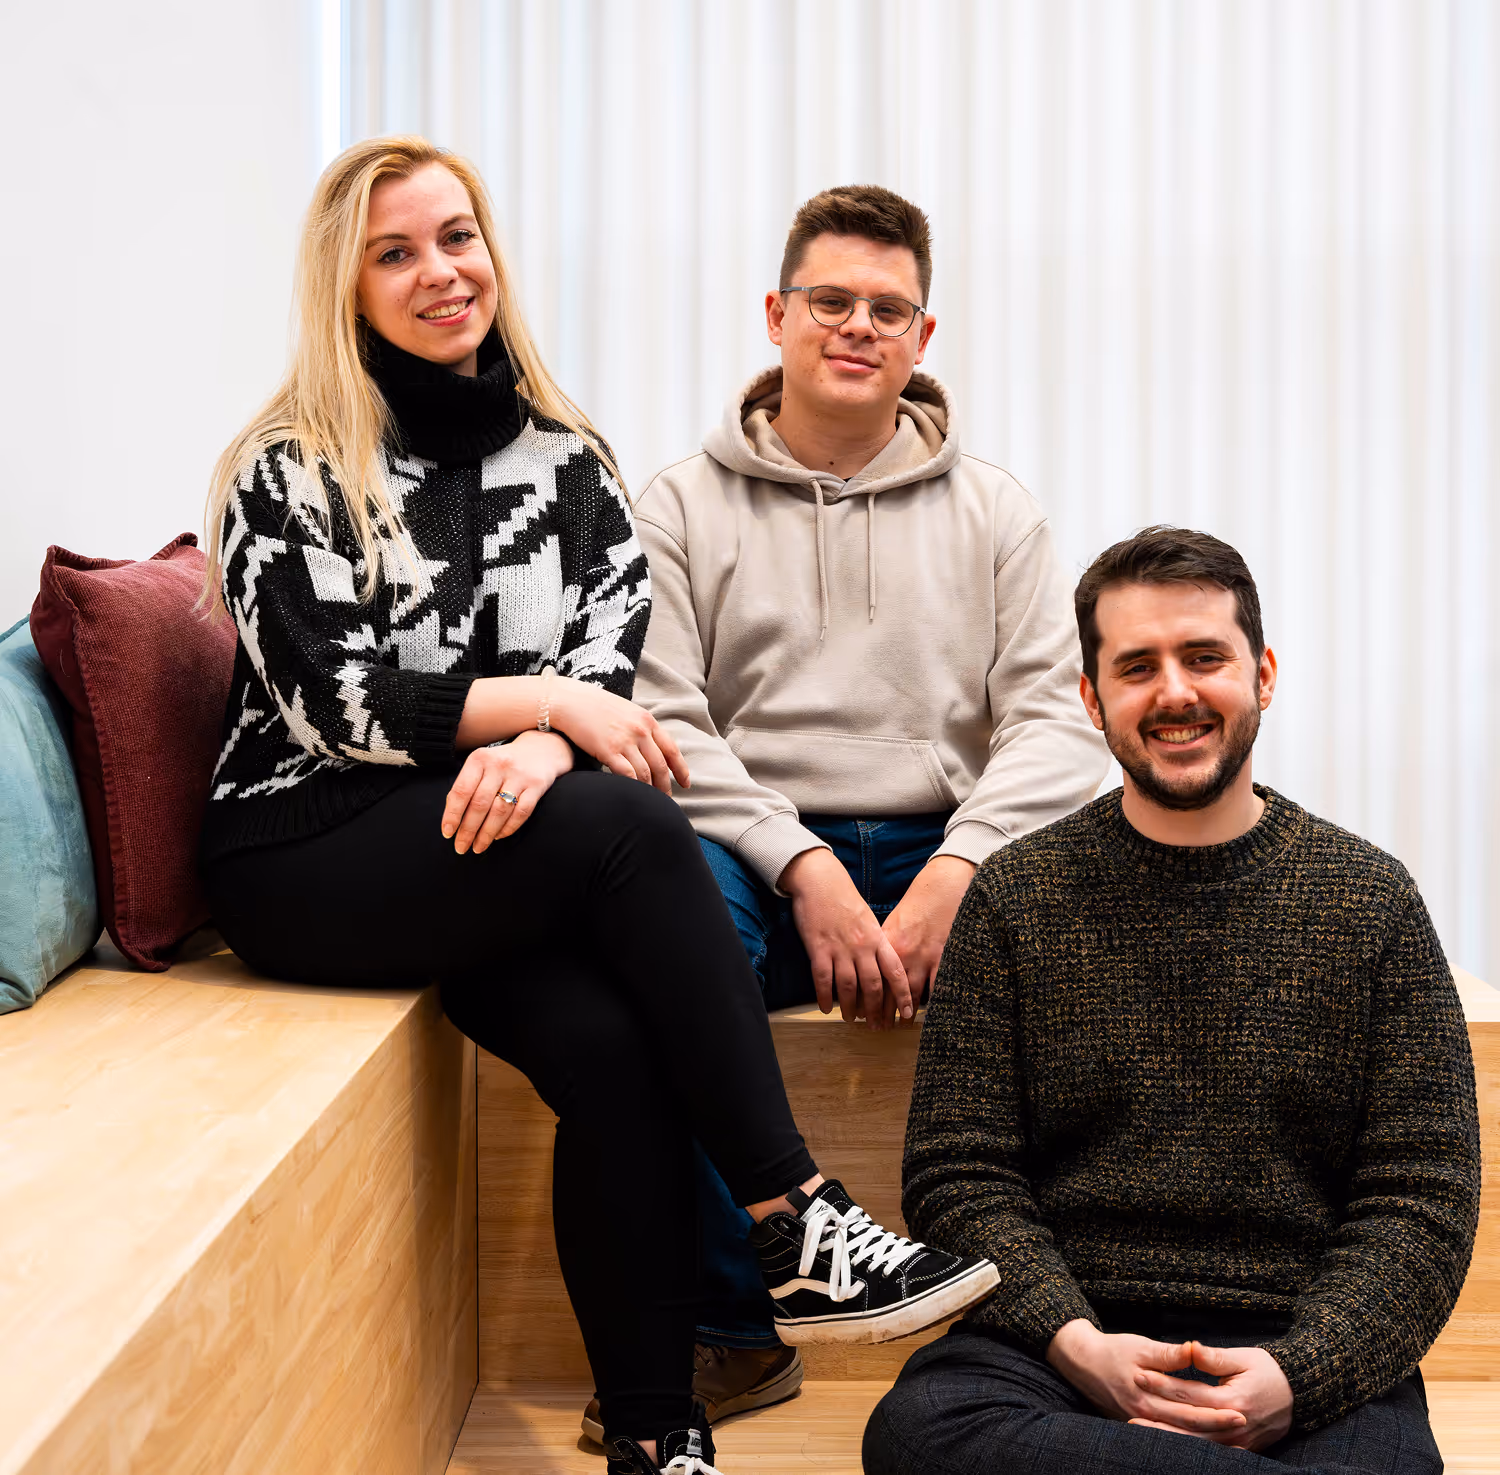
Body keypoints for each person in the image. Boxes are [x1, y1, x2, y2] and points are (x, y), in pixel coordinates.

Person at [196, 136, 999, 1475]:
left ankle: (656, 1429)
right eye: (394, 253)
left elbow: (609, 658)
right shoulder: (288, 465)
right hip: (305, 845)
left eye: (458, 237)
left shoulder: (568, 458)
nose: (440, 271)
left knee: (617, 1047)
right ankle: (795, 1212)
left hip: (482, 847)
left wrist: (556, 732)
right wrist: (541, 713)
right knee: (640, 827)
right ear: (344, 287)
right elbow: (331, 695)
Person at [630, 184, 1108, 1428]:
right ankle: (737, 1330)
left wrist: (960, 869)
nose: (858, 326)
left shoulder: (996, 508)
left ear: (923, 337)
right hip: (750, 843)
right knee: (667, 940)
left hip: (940, 839)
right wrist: (801, 863)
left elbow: (1057, 719)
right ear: (777, 314)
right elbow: (665, 718)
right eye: (831, 301)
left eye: (886, 309)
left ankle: (1055, 1319)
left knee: (1092, 937)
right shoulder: (678, 504)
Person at [863, 526, 1482, 1475]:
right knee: (917, 1437)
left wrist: (1296, 1375)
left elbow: (1422, 1195)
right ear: (1091, 698)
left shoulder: (1371, 899)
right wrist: (1078, 1343)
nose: (1176, 693)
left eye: (1204, 658)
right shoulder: (1015, 897)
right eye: (1137, 666)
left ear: (1263, 675)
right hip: (1058, 1347)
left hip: (1300, 1343)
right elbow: (959, 1175)